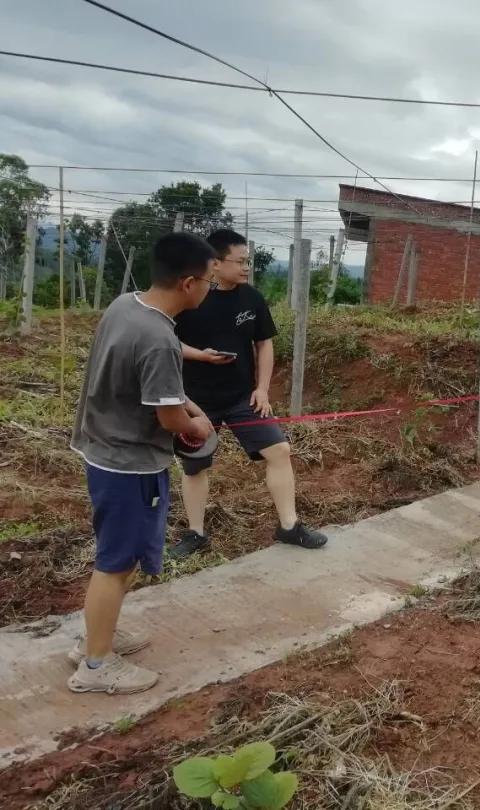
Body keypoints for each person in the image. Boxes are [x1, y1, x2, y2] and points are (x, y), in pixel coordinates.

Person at [68, 232, 216, 694]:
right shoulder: (159, 338)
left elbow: (165, 391)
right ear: (189, 283)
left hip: (103, 448)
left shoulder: (126, 306)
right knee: (118, 562)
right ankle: (95, 666)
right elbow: (168, 414)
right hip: (129, 463)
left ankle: (97, 637)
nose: (211, 287)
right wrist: (197, 428)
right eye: (209, 279)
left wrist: (190, 409)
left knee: (116, 556)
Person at [170, 228, 327, 557]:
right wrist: (200, 355)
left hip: (243, 397)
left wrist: (262, 389)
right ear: (214, 263)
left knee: (280, 450)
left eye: (248, 261)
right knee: (195, 466)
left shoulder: (251, 298)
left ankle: (289, 526)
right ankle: (196, 533)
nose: (246, 268)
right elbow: (165, 341)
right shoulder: (189, 296)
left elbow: (264, 343)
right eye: (239, 261)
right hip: (196, 401)